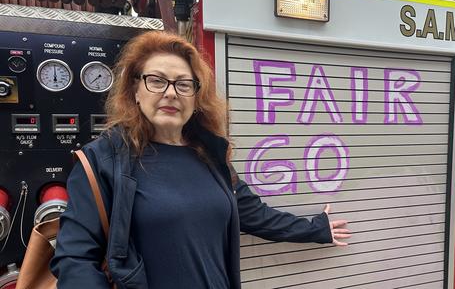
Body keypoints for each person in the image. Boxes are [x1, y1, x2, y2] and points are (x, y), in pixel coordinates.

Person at [50, 31, 351, 288]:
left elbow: (254, 214)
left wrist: (316, 229)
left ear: (196, 98)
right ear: (135, 90)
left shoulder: (209, 155)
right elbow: (75, 259)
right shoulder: (103, 160)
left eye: (184, 84)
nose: (171, 93)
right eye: (156, 81)